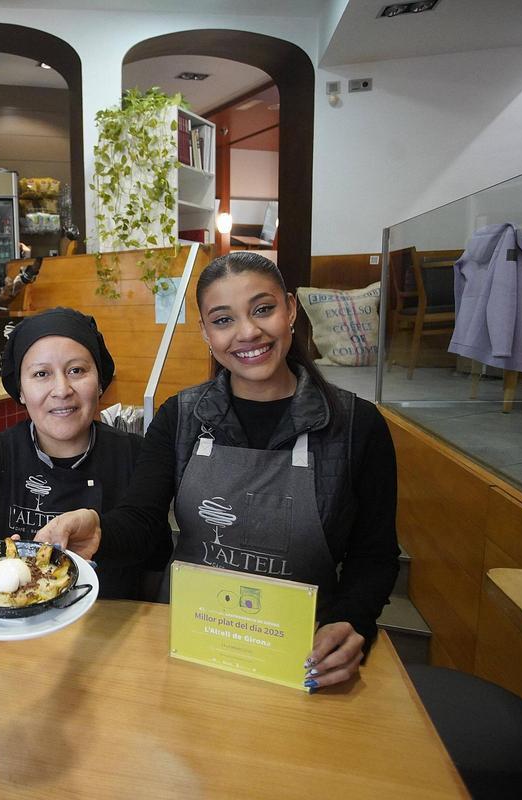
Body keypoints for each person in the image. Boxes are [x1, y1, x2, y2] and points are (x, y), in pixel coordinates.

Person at [38, 252, 399, 690]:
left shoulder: (356, 425)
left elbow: (374, 555)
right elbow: (141, 518)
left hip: (301, 653)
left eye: (263, 309)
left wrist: (352, 620)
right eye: (223, 320)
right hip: (191, 638)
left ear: (290, 309)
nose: (248, 332)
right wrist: (99, 529)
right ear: (206, 333)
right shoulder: (182, 416)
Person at [0, 307, 171, 599]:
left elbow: (156, 559)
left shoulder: (135, 455)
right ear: (20, 390)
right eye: (41, 374)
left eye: (77, 370)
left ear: (99, 381)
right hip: (8, 632)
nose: (62, 389)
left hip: (109, 629)